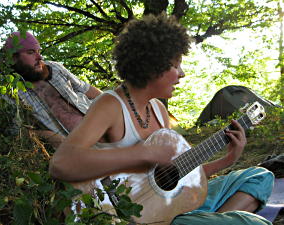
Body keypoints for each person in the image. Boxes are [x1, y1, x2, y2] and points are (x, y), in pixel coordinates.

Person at [49, 14, 274, 225]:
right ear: (152, 65)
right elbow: (62, 164)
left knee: (260, 176)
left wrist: (227, 160)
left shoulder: (158, 110)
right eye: (176, 65)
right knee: (252, 222)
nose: (182, 73)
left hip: (164, 212)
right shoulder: (111, 105)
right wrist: (141, 153)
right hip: (120, 214)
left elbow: (175, 180)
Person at [0, 31, 102, 148]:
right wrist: (46, 136)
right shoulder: (7, 91)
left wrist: (117, 104)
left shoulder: (54, 68)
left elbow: (85, 88)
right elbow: (15, 131)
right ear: (14, 58)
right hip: (76, 147)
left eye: (39, 51)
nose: (39, 57)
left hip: (99, 123)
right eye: (31, 52)